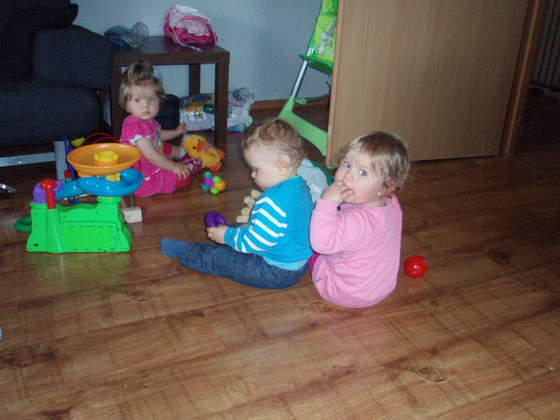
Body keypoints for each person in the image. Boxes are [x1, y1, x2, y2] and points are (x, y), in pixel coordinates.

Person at [161, 118, 314, 289]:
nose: (253, 175)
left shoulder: (272, 202)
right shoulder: (301, 186)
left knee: (219, 258)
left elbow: (256, 243)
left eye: (256, 169)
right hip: (297, 263)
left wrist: (227, 236)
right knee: (237, 228)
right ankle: (228, 237)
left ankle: (186, 252)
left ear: (282, 165)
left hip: (274, 272)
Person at [309, 132, 410, 308]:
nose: (348, 175)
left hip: (343, 291)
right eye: (347, 164)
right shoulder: (392, 202)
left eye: (362, 172)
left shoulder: (355, 220)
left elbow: (320, 244)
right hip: (381, 287)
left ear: (385, 187)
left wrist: (327, 203)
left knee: (306, 235)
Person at [118, 61, 202, 197]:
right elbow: (151, 156)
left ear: (160, 100)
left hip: (153, 154)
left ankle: (182, 153)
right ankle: (190, 165)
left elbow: (158, 135)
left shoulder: (147, 120)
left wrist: (176, 132)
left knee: (166, 147)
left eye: (151, 99)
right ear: (126, 105)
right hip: (143, 172)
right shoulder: (134, 126)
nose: (145, 105)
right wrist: (174, 167)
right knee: (182, 178)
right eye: (137, 100)